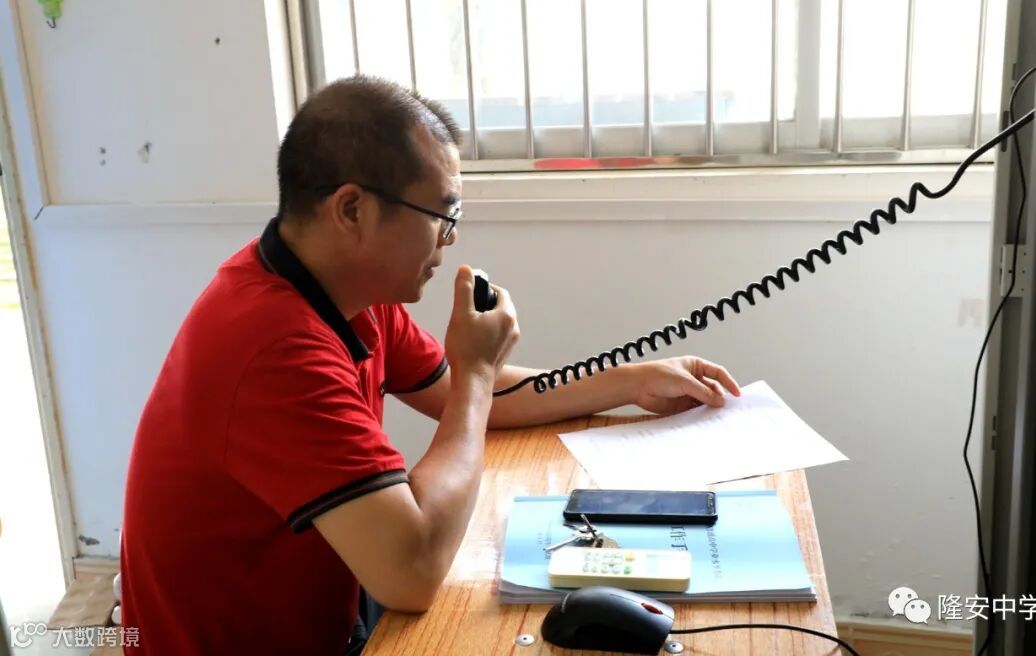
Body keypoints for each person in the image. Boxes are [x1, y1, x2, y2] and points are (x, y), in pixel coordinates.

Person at [120, 76, 740, 654]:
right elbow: (411, 572)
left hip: (333, 605)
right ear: (352, 210)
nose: (450, 238)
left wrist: (632, 381)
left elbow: (463, 396)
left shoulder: (343, 288)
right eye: (444, 215)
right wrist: (475, 373)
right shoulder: (276, 348)